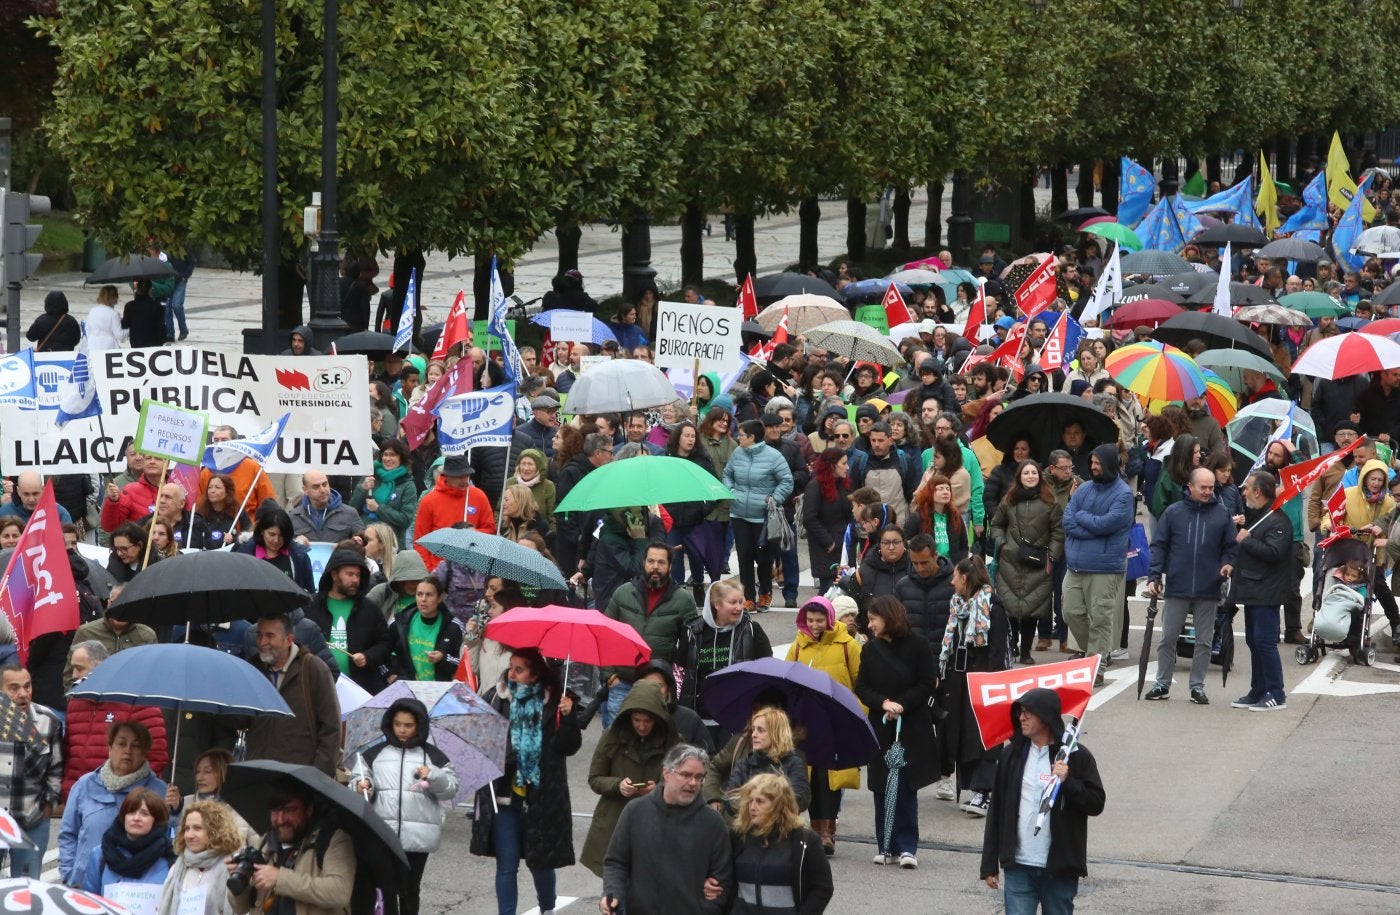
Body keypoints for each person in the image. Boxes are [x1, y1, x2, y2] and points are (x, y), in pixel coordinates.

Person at [980, 688, 1106, 914]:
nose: (1021, 717)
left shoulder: (1076, 757)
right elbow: (997, 810)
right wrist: (989, 864)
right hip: (1018, 866)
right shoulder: (1011, 756)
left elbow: (1096, 803)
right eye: (1020, 712)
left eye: (1029, 712)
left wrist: (1068, 781)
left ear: (1046, 717)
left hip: (1059, 869)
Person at [474, 648, 581, 915]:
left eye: (519, 669)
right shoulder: (496, 698)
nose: (511, 673)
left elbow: (569, 747)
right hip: (505, 794)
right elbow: (484, 740)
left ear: (535, 675)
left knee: (541, 862)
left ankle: (547, 908)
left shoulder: (556, 702)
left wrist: (568, 717)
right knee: (506, 864)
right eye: (511, 667)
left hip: (541, 797)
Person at [351, 698, 459, 915]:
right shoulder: (373, 754)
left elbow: (450, 789)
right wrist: (364, 786)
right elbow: (358, 779)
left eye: (408, 725)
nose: (402, 730)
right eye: (397, 724)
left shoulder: (433, 756)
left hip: (418, 837)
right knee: (384, 889)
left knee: (410, 890)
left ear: (419, 725)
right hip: (383, 833)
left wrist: (434, 775)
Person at [853, 596, 938, 869]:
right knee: (880, 785)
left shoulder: (919, 645)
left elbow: (928, 682)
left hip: (911, 724)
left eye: (873, 619)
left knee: (904, 785)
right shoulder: (870, 650)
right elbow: (862, 687)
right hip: (881, 724)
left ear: (887, 618)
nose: (869, 624)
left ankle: (908, 846)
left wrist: (902, 704)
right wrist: (883, 703)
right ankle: (885, 844)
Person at [600, 744, 733, 915]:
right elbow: (616, 862)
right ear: (666, 773)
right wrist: (612, 894)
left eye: (699, 777)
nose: (693, 783)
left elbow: (723, 878)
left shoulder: (712, 822)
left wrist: (707, 910)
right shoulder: (635, 811)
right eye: (686, 775)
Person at [1145, 468, 1239, 704]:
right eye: (1203, 487)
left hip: (1209, 587)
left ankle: (1197, 686)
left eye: (1211, 487)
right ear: (1190, 486)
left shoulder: (1222, 514)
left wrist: (1228, 564)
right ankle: (1162, 683)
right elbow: (1159, 546)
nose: (1208, 491)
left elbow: (1230, 547)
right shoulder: (1173, 513)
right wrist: (1154, 576)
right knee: (1168, 638)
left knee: (1205, 641)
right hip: (1178, 585)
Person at [580, 681, 679, 876]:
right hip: (615, 822)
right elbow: (595, 778)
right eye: (636, 720)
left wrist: (659, 789)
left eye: (647, 721)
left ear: (658, 718)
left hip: (656, 824)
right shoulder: (612, 736)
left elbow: (683, 782)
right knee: (616, 893)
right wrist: (618, 785)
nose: (642, 726)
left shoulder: (672, 741)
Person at [938, 556, 1010, 816]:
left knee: (985, 736)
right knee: (965, 734)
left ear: (965, 578)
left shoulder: (992, 605)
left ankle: (985, 791)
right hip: (959, 677)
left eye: (955, 576)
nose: (952, 581)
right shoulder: (959, 605)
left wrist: (990, 681)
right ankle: (974, 789)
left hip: (983, 678)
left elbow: (998, 649)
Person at [225, 776, 355, 915]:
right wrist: (240, 883)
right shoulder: (265, 842)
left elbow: (340, 892)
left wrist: (280, 878)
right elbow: (241, 909)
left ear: (308, 810)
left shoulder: (332, 839)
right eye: (275, 810)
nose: (280, 820)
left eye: (289, 810)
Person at [60, 721, 168, 888]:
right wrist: (69, 874)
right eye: (121, 743)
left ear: (145, 752)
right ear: (109, 747)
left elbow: (170, 839)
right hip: (83, 885)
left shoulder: (158, 790)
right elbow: (68, 833)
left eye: (136, 745)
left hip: (138, 888)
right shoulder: (84, 785)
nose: (128, 750)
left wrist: (176, 809)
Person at [601, 543, 697, 727]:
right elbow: (605, 634)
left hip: (658, 687)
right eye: (651, 561)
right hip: (622, 682)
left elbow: (690, 648)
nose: (655, 567)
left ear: (669, 566)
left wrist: (675, 685)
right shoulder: (623, 593)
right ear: (643, 563)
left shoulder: (683, 600)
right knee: (617, 739)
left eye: (661, 562)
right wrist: (610, 676)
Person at [1061, 444, 1134, 685]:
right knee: (1070, 612)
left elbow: (1107, 524)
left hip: (1105, 567)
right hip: (1076, 564)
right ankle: (1091, 654)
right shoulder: (1084, 490)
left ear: (1110, 464)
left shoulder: (1123, 494)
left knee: (1100, 618)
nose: (1093, 467)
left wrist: (1083, 519)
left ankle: (1096, 666)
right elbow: (1068, 520)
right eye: (1091, 463)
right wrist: (1089, 524)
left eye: (1097, 463)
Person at [234, 615, 341, 776]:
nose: (262, 642)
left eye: (270, 636)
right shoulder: (253, 669)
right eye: (259, 635)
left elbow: (331, 729)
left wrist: (318, 779)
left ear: (289, 639)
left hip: (299, 778)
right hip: (258, 774)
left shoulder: (313, 669)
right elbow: (241, 719)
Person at [63, 641, 169, 797]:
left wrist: (127, 794)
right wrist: (67, 792)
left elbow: (156, 757)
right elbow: (68, 756)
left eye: (79, 669)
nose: (74, 675)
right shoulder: (75, 702)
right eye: (73, 668)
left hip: (124, 801)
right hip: (79, 797)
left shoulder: (137, 701)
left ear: (100, 667)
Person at [676, 579, 772, 747]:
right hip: (699, 716)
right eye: (733, 602)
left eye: (741, 601)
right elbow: (679, 672)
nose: (739, 607)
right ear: (717, 605)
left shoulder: (751, 630)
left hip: (737, 718)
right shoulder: (692, 631)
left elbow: (768, 670)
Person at [988, 460, 1064, 665]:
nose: (1030, 476)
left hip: (1038, 562)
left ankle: (1026, 651)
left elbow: (1058, 531)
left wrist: (1052, 555)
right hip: (1010, 561)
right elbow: (996, 524)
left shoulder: (1051, 502)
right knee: (1010, 607)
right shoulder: (1009, 500)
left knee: (1033, 610)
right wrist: (1002, 543)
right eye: (1026, 473)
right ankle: (1012, 645)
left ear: (1039, 476)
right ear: (1019, 477)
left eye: (1034, 473)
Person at [1229, 471, 1293, 712]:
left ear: (1258, 492)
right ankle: (1258, 690)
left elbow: (1274, 553)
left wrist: (1247, 540)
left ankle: (1276, 692)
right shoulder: (1258, 516)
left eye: (1247, 488)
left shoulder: (1279, 521)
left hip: (1268, 590)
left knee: (1265, 642)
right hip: (1253, 588)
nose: (1243, 492)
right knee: (1253, 641)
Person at [729, 773, 834, 915]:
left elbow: (823, 887)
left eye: (760, 801)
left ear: (779, 806)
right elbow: (725, 879)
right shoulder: (739, 836)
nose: (752, 807)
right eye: (750, 801)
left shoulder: (805, 840)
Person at [723, 419, 794, 611]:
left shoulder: (773, 456)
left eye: (742, 434)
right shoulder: (737, 453)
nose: (738, 437)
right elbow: (727, 474)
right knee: (744, 557)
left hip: (763, 517)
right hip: (739, 514)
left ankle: (765, 593)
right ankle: (748, 598)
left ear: (752, 437)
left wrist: (773, 499)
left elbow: (787, 481)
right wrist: (731, 491)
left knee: (763, 558)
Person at [0, 666, 63, 878]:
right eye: (14, 688)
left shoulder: (48, 720)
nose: (23, 694)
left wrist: (49, 804)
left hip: (32, 820)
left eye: (27, 686)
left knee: (26, 896)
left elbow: (55, 768)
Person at [304, 548, 394, 694]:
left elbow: (385, 643)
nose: (355, 580)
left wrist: (368, 656)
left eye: (358, 575)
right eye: (350, 574)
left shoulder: (369, 609)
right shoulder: (312, 606)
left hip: (359, 689)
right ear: (334, 574)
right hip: (318, 688)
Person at [156, 799, 244, 915]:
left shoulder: (230, 866)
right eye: (187, 828)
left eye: (197, 828)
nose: (189, 835)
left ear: (215, 831)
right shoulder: (178, 868)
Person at [82, 787, 174, 894]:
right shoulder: (100, 855)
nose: (136, 818)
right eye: (131, 812)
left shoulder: (170, 856)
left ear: (156, 820)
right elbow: (91, 901)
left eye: (144, 814)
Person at [724, 707, 810, 815]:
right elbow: (729, 799)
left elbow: (800, 800)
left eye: (760, 730)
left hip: (783, 829)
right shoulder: (745, 763)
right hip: (749, 828)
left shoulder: (793, 763)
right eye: (753, 729)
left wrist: (752, 800)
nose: (754, 735)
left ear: (776, 733)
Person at [414, 456, 496, 570]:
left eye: (466, 476)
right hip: (439, 570)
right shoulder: (429, 501)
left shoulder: (479, 496)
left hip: (472, 569)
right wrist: (430, 570)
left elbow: (490, 530)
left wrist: (471, 534)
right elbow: (420, 541)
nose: (464, 480)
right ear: (447, 476)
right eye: (459, 477)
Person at [389, 577, 464, 682]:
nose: (423, 599)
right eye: (419, 594)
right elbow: (382, 650)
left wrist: (443, 658)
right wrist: (390, 675)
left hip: (439, 690)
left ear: (439, 598)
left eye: (429, 595)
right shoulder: (399, 622)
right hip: (408, 688)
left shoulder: (454, 626)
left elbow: (463, 664)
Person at [349, 438, 419, 546]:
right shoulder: (371, 475)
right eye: (385, 454)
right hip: (366, 542)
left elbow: (405, 520)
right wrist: (362, 489)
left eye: (392, 455)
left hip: (391, 544)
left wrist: (379, 508)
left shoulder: (407, 485)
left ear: (401, 458)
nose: (388, 458)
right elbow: (352, 509)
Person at [803, 449, 853, 594]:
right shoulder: (815, 486)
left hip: (843, 545)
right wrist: (828, 542)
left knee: (843, 589)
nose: (847, 467)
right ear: (832, 465)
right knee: (828, 590)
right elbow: (809, 518)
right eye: (843, 463)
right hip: (825, 547)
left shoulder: (844, 485)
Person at [66, 609, 158, 688]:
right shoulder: (86, 632)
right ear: (109, 603)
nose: (121, 611)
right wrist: (74, 702)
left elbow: (153, 675)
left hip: (132, 704)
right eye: (116, 603)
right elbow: (70, 674)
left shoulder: (147, 635)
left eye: (126, 606)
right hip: (91, 703)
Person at [236, 508, 315, 592]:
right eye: (272, 534)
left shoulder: (299, 556)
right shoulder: (244, 554)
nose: (276, 540)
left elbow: (310, 591)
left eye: (281, 535)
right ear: (262, 531)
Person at [291, 471, 366, 544]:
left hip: (341, 556)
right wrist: (295, 543)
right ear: (305, 490)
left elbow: (364, 542)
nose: (322, 490)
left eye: (325, 484)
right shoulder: (293, 517)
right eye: (316, 487)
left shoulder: (350, 513)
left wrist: (354, 543)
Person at [194, 473, 249, 549]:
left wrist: (234, 540)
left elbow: (249, 537)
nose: (212, 491)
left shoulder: (238, 512)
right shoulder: (200, 513)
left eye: (217, 487)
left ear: (227, 491)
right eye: (210, 487)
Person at [123, 280, 166, 348]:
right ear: (150, 290)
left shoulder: (129, 306)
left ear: (137, 289)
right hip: (154, 342)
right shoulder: (157, 306)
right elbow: (161, 327)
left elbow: (125, 324)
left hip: (136, 342)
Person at [87, 284, 128, 350]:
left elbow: (88, 330)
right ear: (113, 297)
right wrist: (130, 331)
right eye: (116, 295)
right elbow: (119, 335)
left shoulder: (92, 311)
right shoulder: (114, 314)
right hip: (108, 346)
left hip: (92, 344)